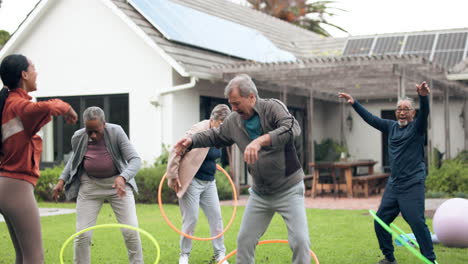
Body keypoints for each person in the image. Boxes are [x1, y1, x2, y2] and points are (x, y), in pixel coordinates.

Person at [174, 74, 311, 264]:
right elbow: (216, 136)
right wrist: (192, 140)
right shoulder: (233, 121)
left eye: (237, 103)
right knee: (244, 241)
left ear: (252, 97)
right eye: (231, 104)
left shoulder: (272, 108)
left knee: (300, 241)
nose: (233, 109)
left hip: (288, 189)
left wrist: (260, 141)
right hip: (260, 194)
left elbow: (292, 128)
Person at [338, 81, 437, 264]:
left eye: (406, 109)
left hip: (412, 184)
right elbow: (370, 119)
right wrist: (354, 103)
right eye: (399, 108)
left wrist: (423, 97)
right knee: (381, 221)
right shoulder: (390, 127)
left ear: (412, 113)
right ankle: (389, 258)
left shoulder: (417, 128)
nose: (401, 111)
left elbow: (425, 114)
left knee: (416, 222)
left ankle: (430, 259)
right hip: (394, 184)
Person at [0, 54, 78, 263]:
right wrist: (68, 108)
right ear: (24, 74)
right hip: (16, 186)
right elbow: (48, 107)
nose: (37, 72)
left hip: (7, 186)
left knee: (23, 256)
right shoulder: (18, 105)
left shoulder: (8, 103)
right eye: (33, 68)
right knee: (35, 258)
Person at [53, 106, 143, 264]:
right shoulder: (78, 137)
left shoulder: (116, 132)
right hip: (90, 187)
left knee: (130, 230)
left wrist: (123, 177)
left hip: (118, 185)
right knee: (82, 234)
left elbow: (135, 160)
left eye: (97, 131)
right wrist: (62, 180)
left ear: (104, 124)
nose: (93, 136)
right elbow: (74, 161)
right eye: (89, 131)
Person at [166, 104, 231, 264]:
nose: (223, 128)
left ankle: (220, 254)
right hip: (192, 181)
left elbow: (209, 155)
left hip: (209, 182)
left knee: (216, 217)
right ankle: (184, 255)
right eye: (222, 124)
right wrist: (172, 174)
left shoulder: (220, 134)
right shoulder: (198, 129)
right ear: (214, 120)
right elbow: (176, 149)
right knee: (191, 219)